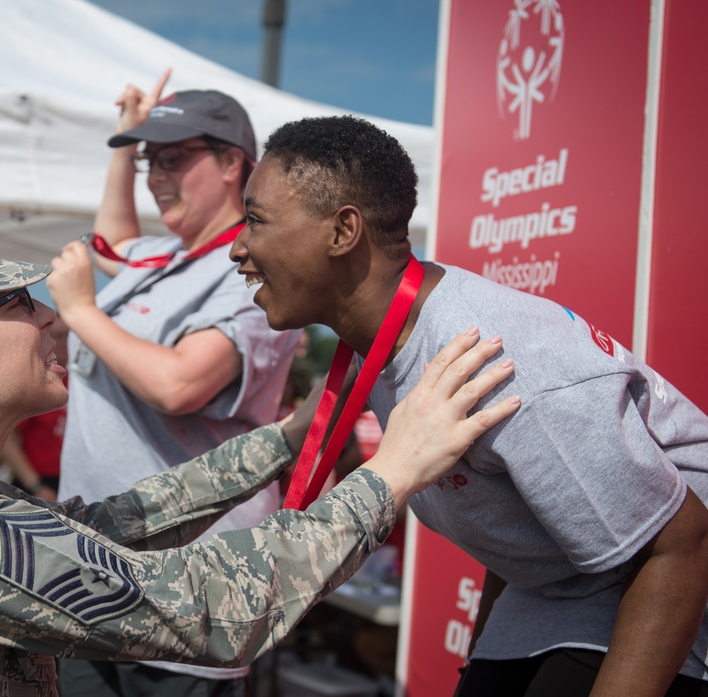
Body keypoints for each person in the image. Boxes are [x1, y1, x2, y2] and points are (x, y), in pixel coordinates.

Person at [0, 210, 519, 695]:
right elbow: (212, 609)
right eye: (17, 304)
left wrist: (285, 440)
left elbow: (108, 527)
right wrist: (393, 471)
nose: (50, 315)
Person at [227, 114, 708, 697]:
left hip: (670, 577)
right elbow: (514, 512)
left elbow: (683, 545)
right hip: (567, 585)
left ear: (342, 231)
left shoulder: (494, 362)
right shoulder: (384, 346)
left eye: (255, 219)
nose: (237, 246)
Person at [48, 71, 301, 695]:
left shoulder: (254, 267)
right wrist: (122, 143)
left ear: (231, 164)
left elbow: (181, 384)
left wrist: (81, 311)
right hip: (89, 573)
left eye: (174, 158)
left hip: (186, 590)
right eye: (148, 162)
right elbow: (112, 238)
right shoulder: (163, 254)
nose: (157, 175)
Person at [2, 317, 69, 499]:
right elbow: (8, 440)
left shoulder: (79, 383)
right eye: (58, 335)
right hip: (37, 484)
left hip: (71, 481)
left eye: (70, 335)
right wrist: (36, 486)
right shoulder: (36, 383)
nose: (65, 342)